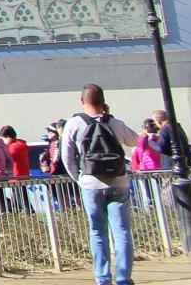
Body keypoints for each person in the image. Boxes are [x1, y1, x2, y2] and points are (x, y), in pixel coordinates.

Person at [61, 83, 140, 285]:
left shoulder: (74, 124)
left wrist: (79, 178)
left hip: (91, 183)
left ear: (82, 101)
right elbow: (135, 141)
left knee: (97, 232)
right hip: (119, 182)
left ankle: (102, 278)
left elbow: (67, 156)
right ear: (103, 101)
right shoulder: (115, 123)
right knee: (122, 231)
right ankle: (123, 278)